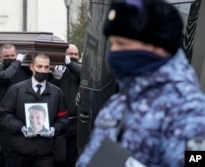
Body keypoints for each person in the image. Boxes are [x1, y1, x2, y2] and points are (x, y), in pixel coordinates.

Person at [76, 0, 205, 167]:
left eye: (122, 44)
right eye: (113, 43)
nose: (114, 52)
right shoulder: (120, 103)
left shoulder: (188, 107)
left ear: (158, 46)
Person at [0, 53, 68, 167]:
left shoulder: (57, 92)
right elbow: (3, 114)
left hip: (45, 151)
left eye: (46, 67)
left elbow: (63, 118)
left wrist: (54, 129)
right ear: (32, 67)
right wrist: (20, 127)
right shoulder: (17, 89)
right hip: (20, 149)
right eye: (39, 66)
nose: (43, 70)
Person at [0, 43, 30, 167]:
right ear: (0, 58)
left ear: (16, 55)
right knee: (7, 152)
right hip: (4, 118)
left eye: (13, 56)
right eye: (7, 56)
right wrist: (17, 63)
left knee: (18, 154)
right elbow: (6, 76)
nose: (10, 58)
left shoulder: (24, 72)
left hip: (22, 116)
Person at [49, 44, 81, 167]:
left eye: (75, 54)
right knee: (58, 159)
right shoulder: (56, 69)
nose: (73, 57)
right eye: (70, 54)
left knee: (72, 159)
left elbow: (85, 74)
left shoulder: (79, 69)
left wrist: (70, 63)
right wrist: (55, 78)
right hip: (58, 121)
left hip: (74, 122)